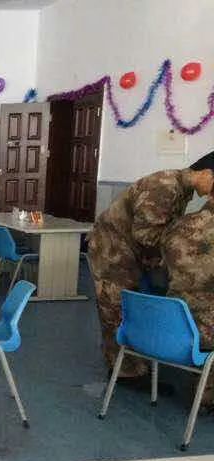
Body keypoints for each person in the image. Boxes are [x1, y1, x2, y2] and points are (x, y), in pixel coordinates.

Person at [87, 152, 214, 390]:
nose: (210, 194)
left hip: (128, 251)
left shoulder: (180, 188)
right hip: (113, 251)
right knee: (115, 308)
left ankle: (133, 363)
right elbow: (146, 235)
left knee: (124, 307)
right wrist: (180, 248)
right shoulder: (165, 186)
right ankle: (125, 373)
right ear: (206, 173)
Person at [162, 176, 214, 405]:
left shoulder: (176, 226)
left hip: (173, 324)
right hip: (206, 330)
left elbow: (164, 270)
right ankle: (206, 396)